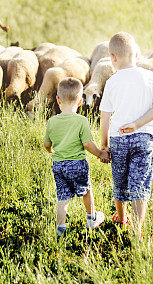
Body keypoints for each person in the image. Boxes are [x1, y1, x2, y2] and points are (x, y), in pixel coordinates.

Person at [99, 32, 153, 236]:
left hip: (118, 139)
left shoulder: (111, 82)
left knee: (119, 180)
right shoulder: (150, 76)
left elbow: (105, 117)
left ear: (112, 57)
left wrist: (104, 145)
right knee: (140, 182)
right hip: (144, 138)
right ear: (136, 54)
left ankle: (121, 218)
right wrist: (137, 124)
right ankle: (137, 230)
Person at [44, 77, 107, 236]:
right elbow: (87, 144)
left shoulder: (52, 121)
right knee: (86, 191)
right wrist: (100, 153)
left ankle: (60, 228)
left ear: (58, 100)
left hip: (58, 165)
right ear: (80, 101)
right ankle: (91, 218)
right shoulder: (81, 121)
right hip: (77, 165)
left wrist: (51, 150)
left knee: (62, 198)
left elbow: (46, 144)